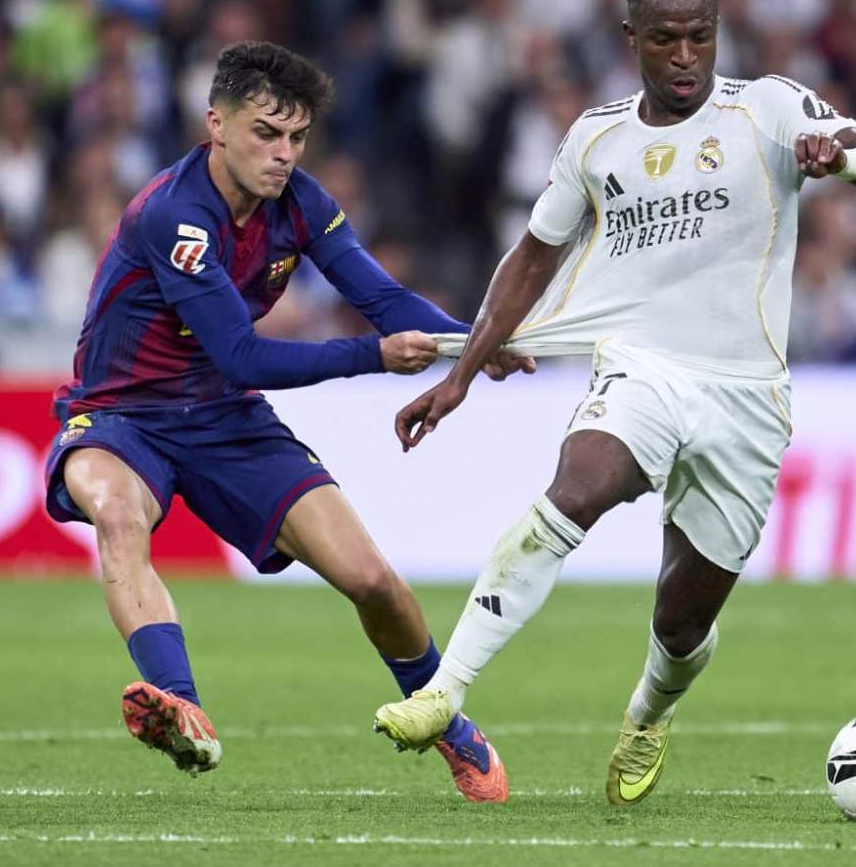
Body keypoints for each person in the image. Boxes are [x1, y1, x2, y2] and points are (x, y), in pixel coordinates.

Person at [369, 0, 856, 805]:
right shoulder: (595, 140)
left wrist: (839, 157)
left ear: (718, 25)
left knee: (683, 618)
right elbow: (531, 260)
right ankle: (445, 689)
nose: (686, 55)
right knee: (578, 486)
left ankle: (649, 712)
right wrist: (460, 374)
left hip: (747, 398)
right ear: (631, 35)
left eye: (701, 34)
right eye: (665, 38)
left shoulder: (770, 108)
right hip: (642, 370)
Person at [44, 41, 527, 799]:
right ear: (217, 126)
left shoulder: (302, 202)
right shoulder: (178, 217)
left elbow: (383, 297)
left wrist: (476, 342)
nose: (283, 154)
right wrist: (375, 357)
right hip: (119, 416)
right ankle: (183, 709)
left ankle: (450, 723)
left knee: (373, 582)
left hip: (225, 420)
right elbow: (241, 353)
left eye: (297, 138)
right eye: (267, 133)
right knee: (117, 516)